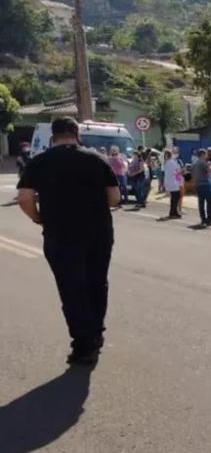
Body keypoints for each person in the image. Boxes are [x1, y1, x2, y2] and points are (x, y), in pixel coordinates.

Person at [16, 117, 120, 365]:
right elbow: (115, 197)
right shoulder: (97, 159)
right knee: (97, 283)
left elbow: (24, 198)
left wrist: (38, 218)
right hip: (98, 233)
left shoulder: (39, 161)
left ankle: (84, 345)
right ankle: (96, 333)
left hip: (60, 234)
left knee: (72, 289)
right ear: (77, 134)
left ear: (53, 137)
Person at [191, 149, 211, 227]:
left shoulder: (194, 164)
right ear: (202, 155)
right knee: (209, 201)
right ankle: (209, 217)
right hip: (205, 184)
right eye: (205, 154)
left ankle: (203, 219)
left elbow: (193, 174)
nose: (206, 156)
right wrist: (210, 165)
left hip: (197, 184)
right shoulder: (202, 163)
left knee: (201, 202)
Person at [163, 149, 183, 219]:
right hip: (174, 183)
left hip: (169, 182)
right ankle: (173, 212)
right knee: (176, 197)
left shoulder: (166, 163)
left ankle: (174, 211)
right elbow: (178, 171)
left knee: (174, 197)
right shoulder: (173, 162)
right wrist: (179, 181)